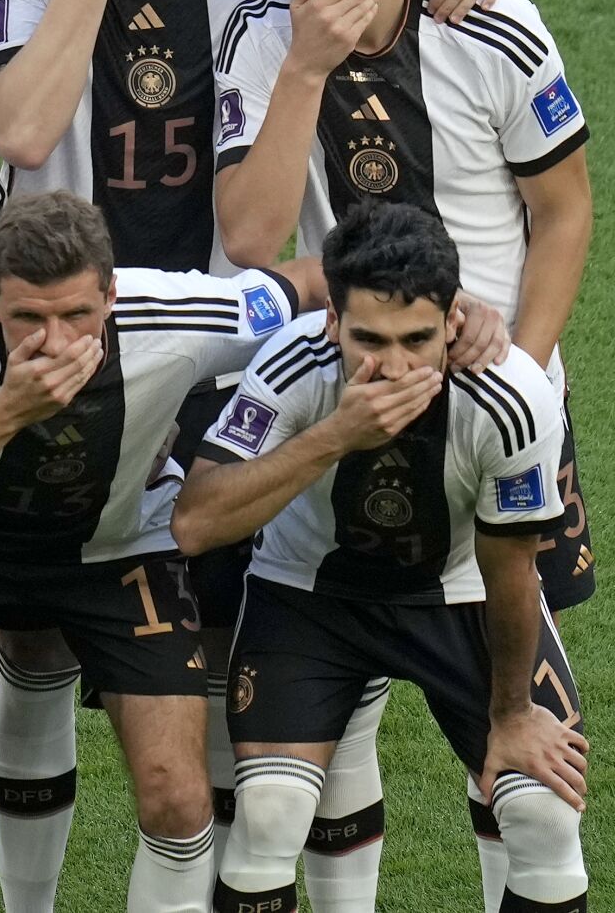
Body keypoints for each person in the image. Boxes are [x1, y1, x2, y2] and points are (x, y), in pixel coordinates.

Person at [0, 0, 500, 905]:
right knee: (39, 638)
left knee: (242, 634)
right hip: (67, 331)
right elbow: (16, 126)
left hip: (229, 335)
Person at [212, 0, 593, 905]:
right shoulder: (261, 37)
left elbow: (561, 214)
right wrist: (302, 62)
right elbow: (247, 234)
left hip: (493, 411)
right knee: (334, 723)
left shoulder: (491, 26)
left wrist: (511, 376)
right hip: (343, 391)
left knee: (517, 768)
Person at [0, 190, 331, 913]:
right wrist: (5, 412)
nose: (55, 342)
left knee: (178, 799)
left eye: (77, 316)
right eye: (28, 317)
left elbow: (310, 281)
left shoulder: (181, 315)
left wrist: (460, 309)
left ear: (111, 294)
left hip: (118, 548)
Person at [173, 201, 588, 912]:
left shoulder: (512, 397)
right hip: (308, 597)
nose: (392, 366)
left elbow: (511, 569)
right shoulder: (293, 366)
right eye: (368, 339)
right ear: (330, 321)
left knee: (543, 812)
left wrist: (512, 713)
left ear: (454, 320)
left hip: (462, 598)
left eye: (416, 339)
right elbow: (196, 522)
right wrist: (335, 434)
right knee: (268, 812)